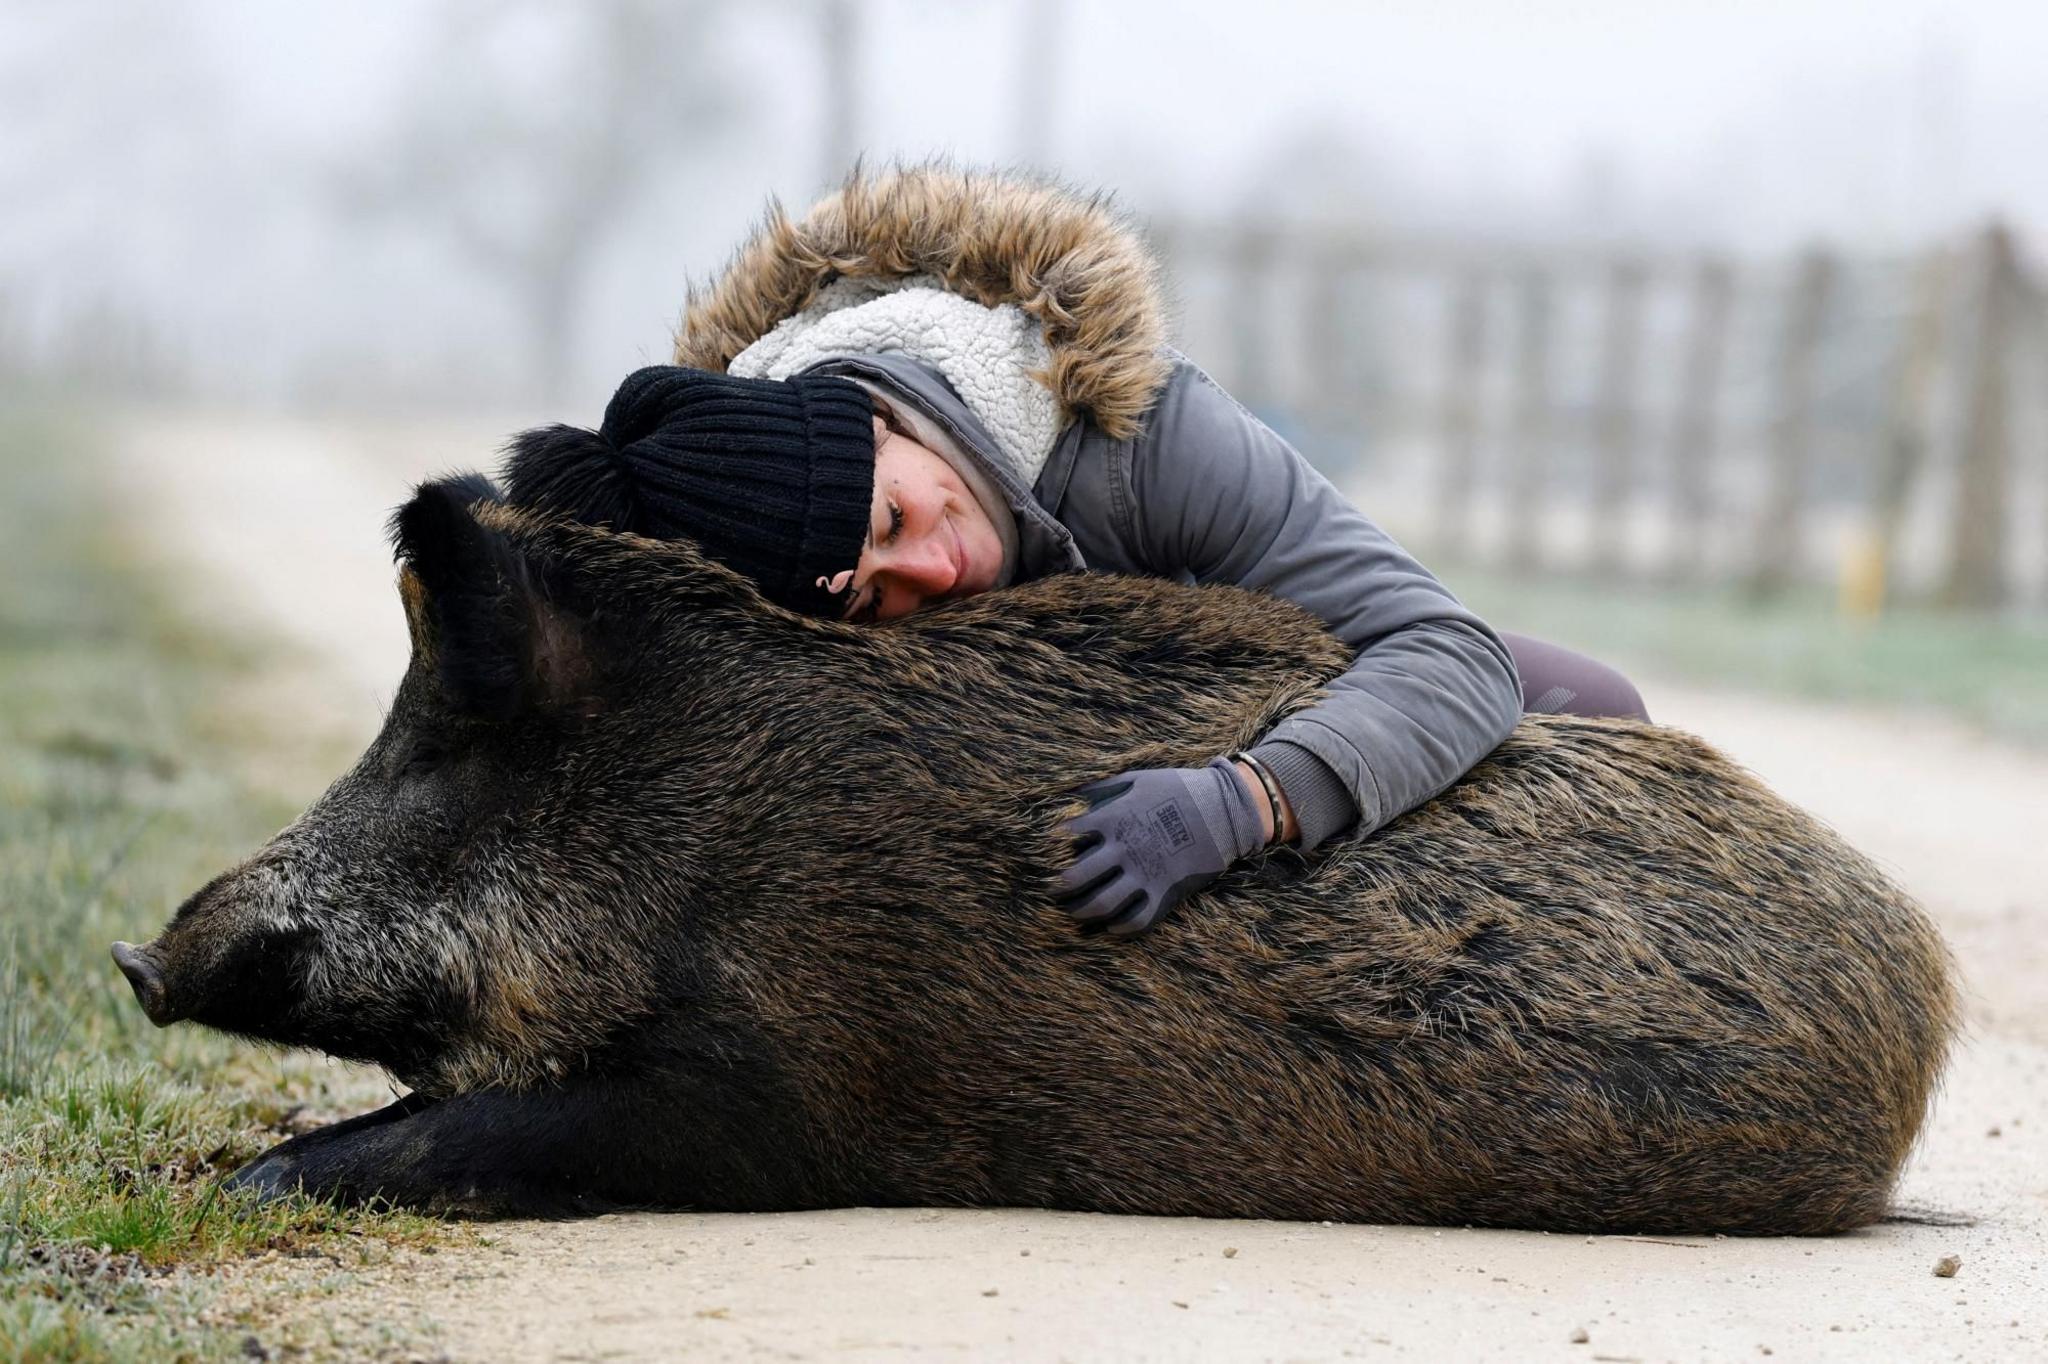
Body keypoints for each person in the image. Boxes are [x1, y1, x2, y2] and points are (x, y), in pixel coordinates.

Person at [504, 164, 1647, 938]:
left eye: (896, 517)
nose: (936, 574)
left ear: (879, 416)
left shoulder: (1141, 433)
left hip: (1259, 719)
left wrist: (1244, 802)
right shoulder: (756, 593)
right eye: (872, 595)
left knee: (1594, 703)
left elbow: (1442, 650)